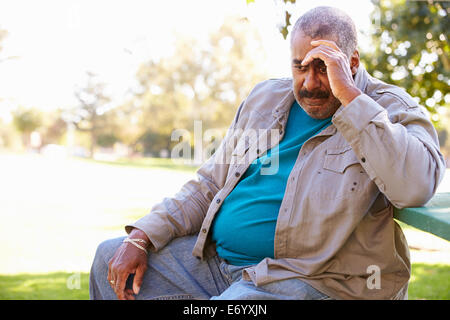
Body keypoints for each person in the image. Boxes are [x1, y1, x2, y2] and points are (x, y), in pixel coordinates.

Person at [89, 6, 445, 300]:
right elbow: (209, 184)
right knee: (110, 256)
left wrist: (352, 99)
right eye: (300, 66)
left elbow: (415, 185)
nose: (309, 82)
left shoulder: (391, 108)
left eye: (324, 67)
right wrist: (143, 235)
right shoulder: (265, 98)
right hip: (219, 266)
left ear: (351, 62)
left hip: (313, 280)